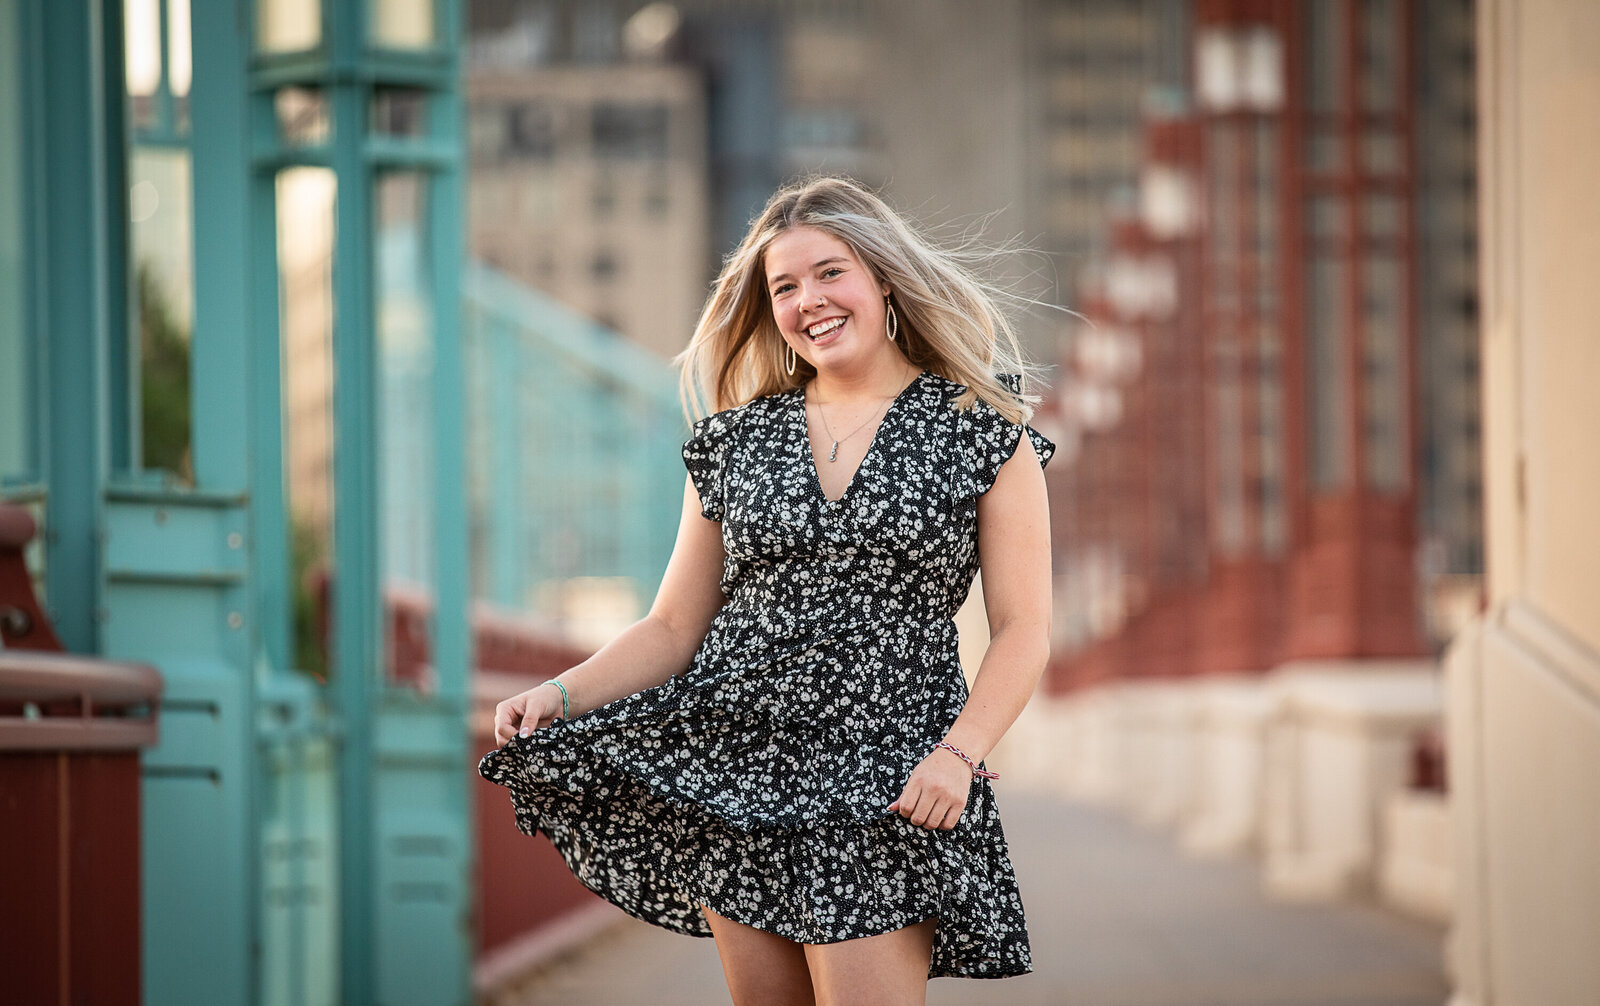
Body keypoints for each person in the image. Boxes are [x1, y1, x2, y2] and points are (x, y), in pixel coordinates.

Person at [480, 175, 1054, 1005]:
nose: (807, 300)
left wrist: (959, 754)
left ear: (883, 279)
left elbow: (1024, 628)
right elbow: (674, 625)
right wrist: (559, 696)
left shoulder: (983, 434)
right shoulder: (732, 443)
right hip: (737, 768)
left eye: (830, 273)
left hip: (885, 773)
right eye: (783, 287)